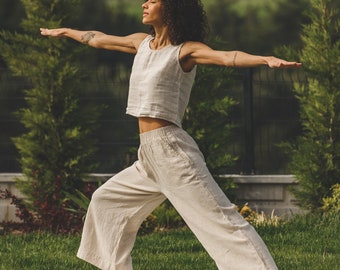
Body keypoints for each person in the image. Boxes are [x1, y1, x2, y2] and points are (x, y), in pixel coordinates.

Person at [41, 0, 301, 269]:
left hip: (173, 153)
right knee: (106, 202)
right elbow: (96, 38)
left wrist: (265, 60)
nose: (144, 4)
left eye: (152, 1)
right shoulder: (140, 43)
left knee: (220, 221)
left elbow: (227, 57)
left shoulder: (184, 51)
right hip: (149, 155)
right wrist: (65, 32)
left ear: (172, 8)